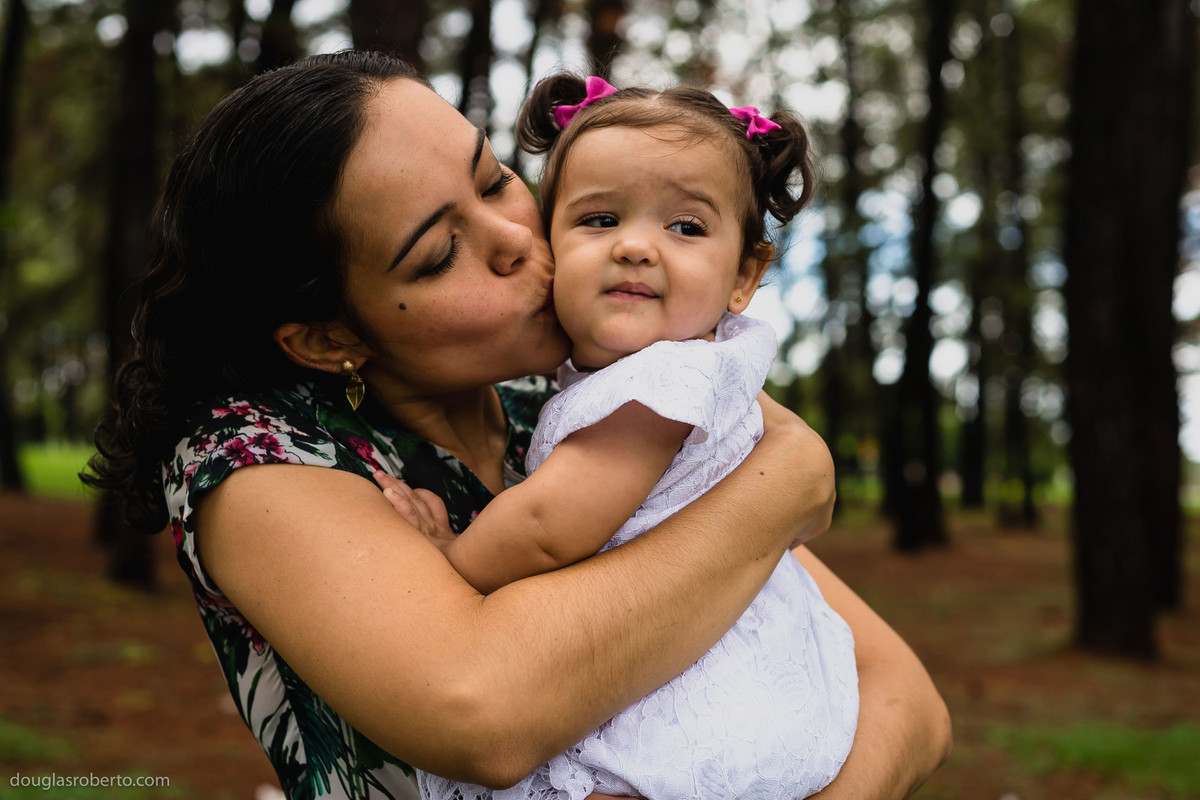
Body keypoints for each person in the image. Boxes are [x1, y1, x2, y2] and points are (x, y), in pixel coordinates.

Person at [84, 50, 950, 800]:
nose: (515, 235)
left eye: (494, 176)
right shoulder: (262, 461)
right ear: (329, 336)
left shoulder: (573, 399)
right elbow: (483, 712)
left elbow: (906, 699)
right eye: (439, 252)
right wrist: (787, 483)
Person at [410, 73, 857, 800]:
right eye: (599, 220)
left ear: (744, 276)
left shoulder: (660, 387)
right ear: (548, 244)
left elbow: (551, 528)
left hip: (688, 683)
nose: (637, 248)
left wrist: (445, 564)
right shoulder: (642, 379)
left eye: (685, 228)